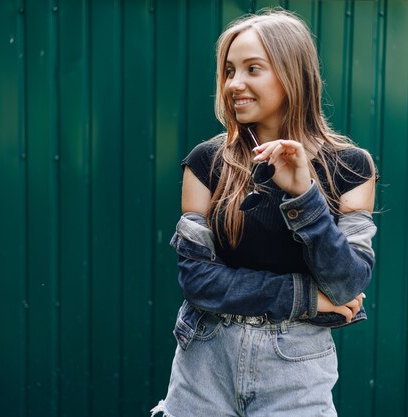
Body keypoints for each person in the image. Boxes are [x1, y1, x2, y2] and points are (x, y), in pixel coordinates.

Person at [152, 8, 378, 417]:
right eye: (229, 70)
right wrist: (307, 297)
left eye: (253, 69)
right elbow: (198, 281)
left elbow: (347, 284)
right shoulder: (205, 163)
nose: (234, 84)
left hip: (296, 370)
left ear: (292, 75)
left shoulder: (351, 168)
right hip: (205, 363)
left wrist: (305, 196)